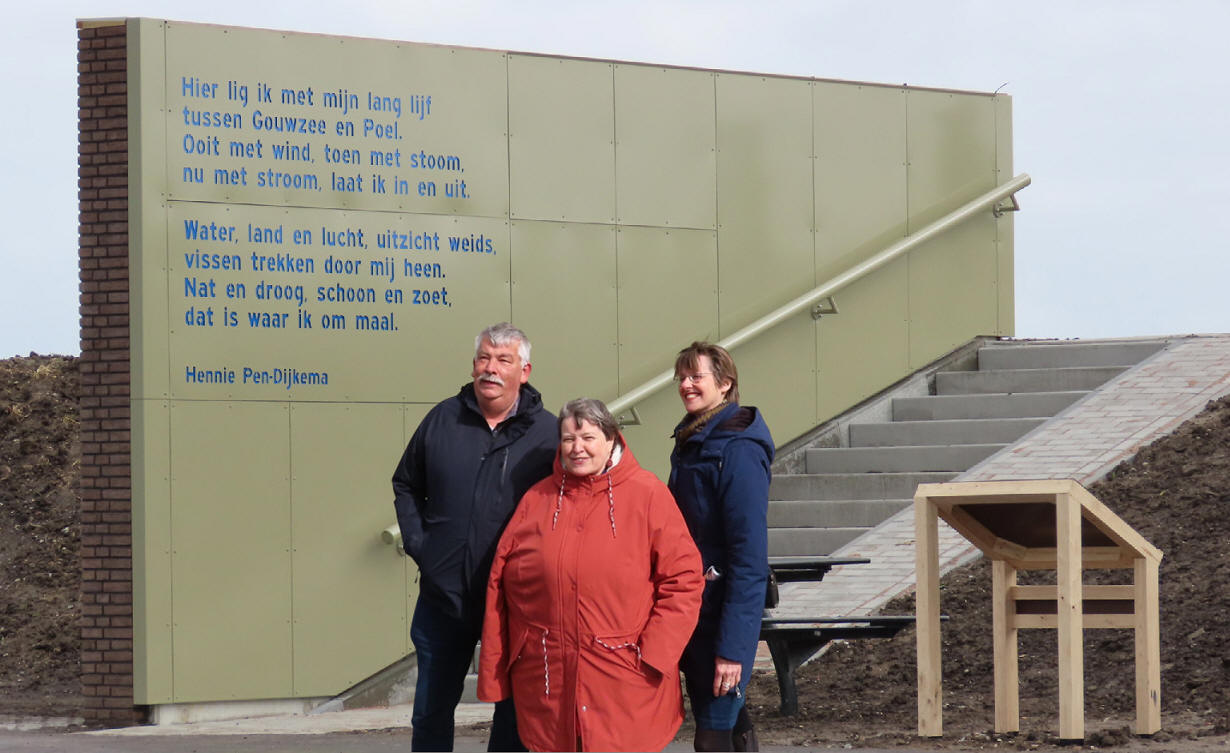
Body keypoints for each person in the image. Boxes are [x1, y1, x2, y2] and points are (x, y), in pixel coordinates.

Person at [478, 398, 704, 752]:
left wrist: (655, 654)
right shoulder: (537, 499)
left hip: (625, 677)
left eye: (587, 438)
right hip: (549, 681)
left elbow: (684, 580)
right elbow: (500, 587)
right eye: (568, 439)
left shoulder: (647, 494)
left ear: (611, 439)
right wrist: (501, 665)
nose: (577, 448)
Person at [392, 322, 558, 752]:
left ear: (524, 370)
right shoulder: (442, 419)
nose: (490, 368)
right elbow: (406, 484)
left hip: (515, 600)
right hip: (444, 596)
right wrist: (421, 546)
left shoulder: (548, 434)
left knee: (515, 710)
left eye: (503, 360)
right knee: (431, 709)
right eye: (484, 358)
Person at [668, 342, 775, 752]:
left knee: (712, 737)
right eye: (682, 377)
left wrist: (733, 649)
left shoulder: (738, 449)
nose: (686, 385)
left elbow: (748, 557)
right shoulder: (694, 440)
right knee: (731, 727)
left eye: (696, 376)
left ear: (725, 383)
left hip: (721, 619)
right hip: (697, 611)